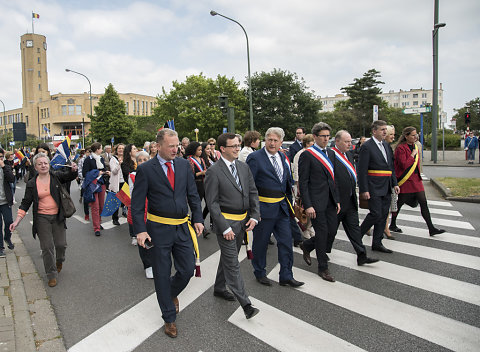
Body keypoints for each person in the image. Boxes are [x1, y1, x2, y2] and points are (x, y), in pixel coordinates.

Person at [132, 128, 204, 338]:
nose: (176, 149)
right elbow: (136, 206)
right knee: (162, 274)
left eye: (177, 146)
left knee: (187, 269)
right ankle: (169, 317)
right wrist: (141, 231)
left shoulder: (184, 165)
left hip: (182, 227)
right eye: (171, 146)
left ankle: (169, 294)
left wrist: (198, 219)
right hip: (158, 230)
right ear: (158, 146)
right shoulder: (146, 169)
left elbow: (192, 195)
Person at [205, 133, 260, 319]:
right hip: (226, 225)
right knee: (233, 264)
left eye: (238, 145)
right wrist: (224, 227)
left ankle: (219, 288)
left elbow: (253, 192)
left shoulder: (243, 167)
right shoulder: (214, 171)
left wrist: (254, 215)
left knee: (229, 259)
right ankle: (246, 304)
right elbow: (212, 203)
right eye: (233, 146)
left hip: (243, 222)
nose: (237, 148)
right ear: (222, 149)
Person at [246, 127, 304, 288]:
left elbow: (286, 182)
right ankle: (260, 272)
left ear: (281, 142)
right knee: (261, 243)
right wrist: (253, 211)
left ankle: (286, 275)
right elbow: (249, 186)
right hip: (263, 209)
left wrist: (291, 202)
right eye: (269, 140)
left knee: (286, 242)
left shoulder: (283, 156)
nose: (272, 143)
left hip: (282, 208)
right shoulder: (255, 158)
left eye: (275, 140)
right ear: (265, 140)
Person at [10, 153, 78, 287]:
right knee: (46, 247)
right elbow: (25, 203)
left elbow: (69, 176)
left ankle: (60, 260)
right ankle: (51, 274)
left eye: (45, 163)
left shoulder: (56, 177)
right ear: (35, 167)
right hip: (41, 218)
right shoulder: (31, 183)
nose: (43, 165)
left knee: (61, 245)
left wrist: (73, 169)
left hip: (58, 216)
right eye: (40, 164)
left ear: (49, 164)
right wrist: (17, 220)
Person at [329, 131, 379, 266]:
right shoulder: (331, 155)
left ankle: (361, 255)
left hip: (350, 201)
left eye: (350, 142)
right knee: (329, 232)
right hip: (338, 202)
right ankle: (310, 246)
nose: (350, 144)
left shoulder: (349, 155)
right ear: (337, 141)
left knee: (355, 230)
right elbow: (330, 180)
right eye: (346, 142)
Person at [298, 122, 339, 282]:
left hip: (330, 201)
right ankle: (323, 268)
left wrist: (337, 200)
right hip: (315, 202)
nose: (326, 139)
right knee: (322, 233)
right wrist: (308, 205)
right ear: (315, 137)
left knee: (332, 231)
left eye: (328, 136)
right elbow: (304, 182)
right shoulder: (307, 155)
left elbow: (333, 179)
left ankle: (307, 246)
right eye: (323, 136)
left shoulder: (331, 153)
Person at [389, 127, 445, 236]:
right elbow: (403, 165)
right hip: (406, 180)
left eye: (416, 135)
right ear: (406, 136)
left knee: (423, 203)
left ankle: (431, 228)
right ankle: (393, 224)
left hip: (416, 180)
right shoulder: (401, 148)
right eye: (413, 135)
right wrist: (412, 155)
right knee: (399, 203)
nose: (415, 137)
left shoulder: (415, 146)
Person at [358, 120, 400, 254]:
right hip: (373, 186)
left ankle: (377, 242)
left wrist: (394, 183)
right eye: (382, 129)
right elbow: (362, 170)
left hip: (386, 185)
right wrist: (364, 189)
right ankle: (357, 236)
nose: (384, 132)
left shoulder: (386, 146)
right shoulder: (367, 146)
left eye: (385, 130)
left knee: (383, 215)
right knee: (375, 213)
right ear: (374, 131)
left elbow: (391, 167)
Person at [127, 151, 153, 279]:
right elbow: (134, 195)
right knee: (143, 238)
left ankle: (156, 262)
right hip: (141, 209)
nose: (143, 162)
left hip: (154, 210)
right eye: (140, 160)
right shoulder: (132, 175)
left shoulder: (155, 173)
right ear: (136, 163)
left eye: (145, 159)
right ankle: (148, 265)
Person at [82, 143, 110, 237]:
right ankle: (96, 228)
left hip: (101, 184)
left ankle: (99, 221)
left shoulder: (101, 158)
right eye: (101, 148)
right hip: (93, 185)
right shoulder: (88, 159)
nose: (102, 150)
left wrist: (106, 172)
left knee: (101, 206)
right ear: (97, 149)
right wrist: (97, 173)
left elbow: (104, 169)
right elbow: (84, 173)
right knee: (95, 206)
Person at [292, 134, 315, 240]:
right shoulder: (300, 154)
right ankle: (304, 228)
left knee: (311, 208)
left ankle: (309, 227)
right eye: (312, 142)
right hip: (302, 186)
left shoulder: (313, 153)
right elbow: (296, 171)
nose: (314, 144)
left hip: (312, 185)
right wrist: (298, 187)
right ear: (307, 143)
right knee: (303, 209)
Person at [185, 142, 208, 237]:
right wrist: (201, 173)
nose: (200, 152)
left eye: (201, 150)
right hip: (195, 183)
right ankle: (199, 224)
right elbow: (190, 174)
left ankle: (199, 221)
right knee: (196, 204)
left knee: (207, 203)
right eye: (198, 150)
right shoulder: (189, 160)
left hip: (204, 183)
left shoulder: (202, 159)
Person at [122, 144, 138, 244]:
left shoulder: (140, 160)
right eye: (134, 149)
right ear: (129, 152)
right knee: (132, 213)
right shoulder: (125, 164)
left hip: (141, 190)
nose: (136, 150)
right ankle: (133, 235)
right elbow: (129, 174)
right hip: (129, 190)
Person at [0, 149, 15, 258]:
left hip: (5, 201)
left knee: (9, 221)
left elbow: (11, 179)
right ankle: (1, 247)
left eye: (1, 157)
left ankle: (7, 237)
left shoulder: (6, 167)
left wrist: (4, 167)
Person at [108, 144, 125, 226]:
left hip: (125, 181)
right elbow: (114, 171)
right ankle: (115, 218)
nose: (121, 150)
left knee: (126, 200)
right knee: (116, 201)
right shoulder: (113, 159)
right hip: (117, 182)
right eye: (119, 148)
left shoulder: (126, 158)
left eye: (122, 148)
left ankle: (126, 213)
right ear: (116, 149)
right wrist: (119, 164)